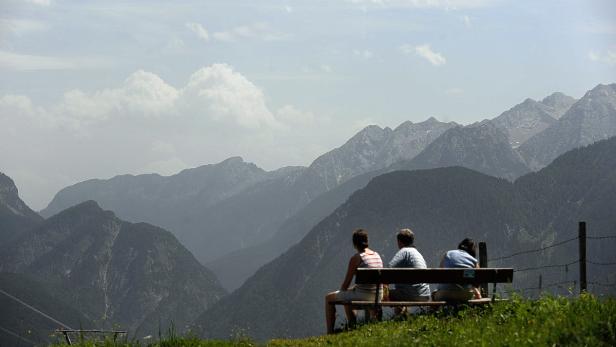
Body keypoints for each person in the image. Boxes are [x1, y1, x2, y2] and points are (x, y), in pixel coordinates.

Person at [325, 229, 383, 334]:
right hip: (378, 295)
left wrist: (342, 290)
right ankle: (352, 325)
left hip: (364, 295)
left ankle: (330, 332)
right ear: (367, 241)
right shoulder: (377, 255)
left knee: (329, 297)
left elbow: (345, 285)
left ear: (354, 244)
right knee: (349, 294)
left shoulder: (356, 258)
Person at [388, 229, 431, 303]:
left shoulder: (404, 251)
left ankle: (376, 314)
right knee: (401, 289)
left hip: (410, 295)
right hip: (425, 294)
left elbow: (388, 269)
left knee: (382, 295)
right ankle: (402, 314)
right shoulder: (418, 254)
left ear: (399, 242)